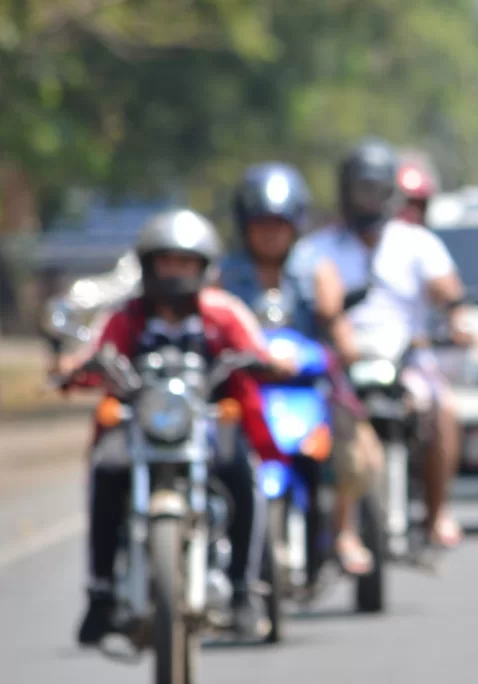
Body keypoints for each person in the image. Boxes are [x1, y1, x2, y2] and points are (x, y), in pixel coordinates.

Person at [54, 209, 297, 643]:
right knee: (106, 471)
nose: (176, 273)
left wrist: (273, 362)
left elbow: (259, 349)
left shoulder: (223, 313)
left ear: (203, 269)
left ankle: (243, 590)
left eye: (186, 263)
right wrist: (74, 366)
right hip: (142, 426)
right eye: (168, 262)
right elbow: (92, 355)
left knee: (243, 474)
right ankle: (102, 592)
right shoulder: (125, 316)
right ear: (149, 266)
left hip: (206, 423)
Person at [296, 138, 472, 550]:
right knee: (325, 425)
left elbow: (448, 292)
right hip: (341, 363)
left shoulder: (415, 243)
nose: (366, 200)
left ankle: (437, 512)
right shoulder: (319, 249)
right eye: (360, 190)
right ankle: (337, 530)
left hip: (405, 357)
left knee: (443, 409)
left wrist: (456, 317)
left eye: (374, 190)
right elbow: (310, 306)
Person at [221, 162, 384, 575]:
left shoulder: (315, 266)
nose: (270, 234)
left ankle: (344, 530)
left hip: (308, 387)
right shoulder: (224, 273)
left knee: (353, 452)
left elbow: (333, 319)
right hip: (247, 387)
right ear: (245, 225)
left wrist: (346, 343)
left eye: (279, 224)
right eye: (261, 225)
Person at [394, 149, 441, 227]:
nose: (412, 214)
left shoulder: (427, 238)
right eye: (408, 205)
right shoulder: (378, 236)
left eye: (419, 205)